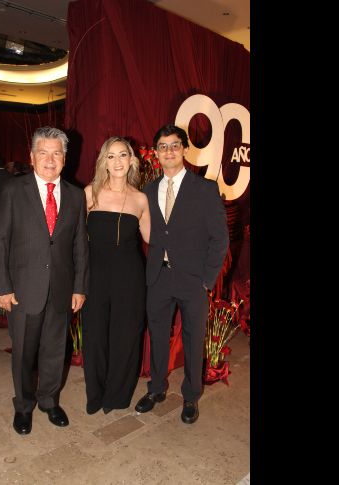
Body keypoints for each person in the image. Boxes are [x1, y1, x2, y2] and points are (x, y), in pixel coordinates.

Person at [0, 126, 89, 435]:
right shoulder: (12, 191)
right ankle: (23, 406)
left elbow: (79, 246)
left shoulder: (75, 195)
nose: (50, 159)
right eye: (43, 153)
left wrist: (79, 287)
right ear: (31, 157)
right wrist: (2, 286)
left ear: (65, 158)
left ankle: (48, 400)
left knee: (55, 351)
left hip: (60, 290)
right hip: (22, 290)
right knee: (23, 353)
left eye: (56, 153)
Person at [134, 124, 229, 424]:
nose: (169, 151)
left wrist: (206, 280)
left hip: (193, 280)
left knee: (193, 338)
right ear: (157, 153)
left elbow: (220, 239)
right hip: (158, 277)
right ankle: (156, 389)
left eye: (175, 145)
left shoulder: (205, 189)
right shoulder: (149, 190)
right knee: (158, 336)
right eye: (163, 146)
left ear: (185, 149)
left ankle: (190, 396)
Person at [82, 136, 150, 415]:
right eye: (111, 156)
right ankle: (95, 395)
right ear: (104, 162)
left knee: (126, 336)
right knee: (94, 336)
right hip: (95, 275)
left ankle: (117, 396)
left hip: (130, 277)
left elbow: (153, 238)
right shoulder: (90, 194)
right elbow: (74, 239)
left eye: (123, 154)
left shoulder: (141, 198)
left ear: (132, 160)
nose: (118, 161)